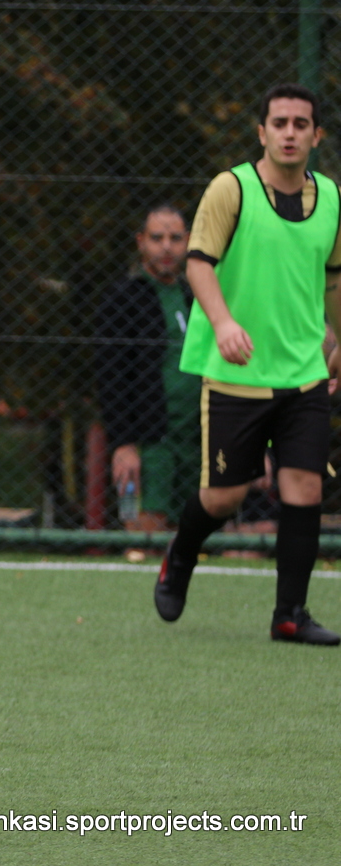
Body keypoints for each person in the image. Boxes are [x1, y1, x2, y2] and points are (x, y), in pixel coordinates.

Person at [154, 83, 341, 646]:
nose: (289, 133)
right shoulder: (230, 189)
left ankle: (290, 615)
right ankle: (181, 555)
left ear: (316, 135)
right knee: (225, 497)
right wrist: (224, 324)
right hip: (237, 376)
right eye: (279, 123)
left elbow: (334, 281)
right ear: (262, 132)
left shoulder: (332, 198)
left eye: (300, 124)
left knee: (304, 487)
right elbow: (198, 265)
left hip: (304, 372)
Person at [95, 205, 201, 531]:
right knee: (145, 530)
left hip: (195, 439)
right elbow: (110, 376)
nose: (166, 247)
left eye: (175, 238)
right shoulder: (123, 298)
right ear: (141, 242)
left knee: (192, 532)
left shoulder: (196, 296)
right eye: (157, 238)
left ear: (188, 241)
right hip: (150, 441)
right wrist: (123, 443)